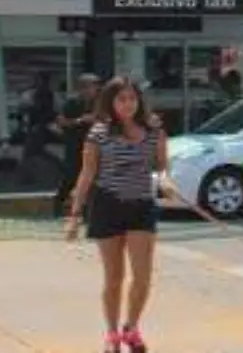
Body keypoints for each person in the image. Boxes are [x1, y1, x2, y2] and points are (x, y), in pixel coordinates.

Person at [66, 78, 169, 353]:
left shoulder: (154, 129)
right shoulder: (98, 133)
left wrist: (165, 181)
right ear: (110, 102)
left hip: (142, 206)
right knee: (114, 277)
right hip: (107, 206)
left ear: (139, 101)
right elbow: (87, 174)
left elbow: (161, 166)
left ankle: (131, 328)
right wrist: (75, 215)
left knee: (143, 276)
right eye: (121, 99)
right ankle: (111, 333)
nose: (127, 104)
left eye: (132, 99)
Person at [53, 73, 101, 218]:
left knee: (94, 177)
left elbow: (107, 120)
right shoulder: (72, 103)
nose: (89, 90)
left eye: (92, 87)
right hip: (75, 144)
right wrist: (79, 121)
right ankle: (59, 205)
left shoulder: (100, 103)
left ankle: (89, 212)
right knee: (72, 176)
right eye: (85, 87)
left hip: (95, 145)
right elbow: (61, 122)